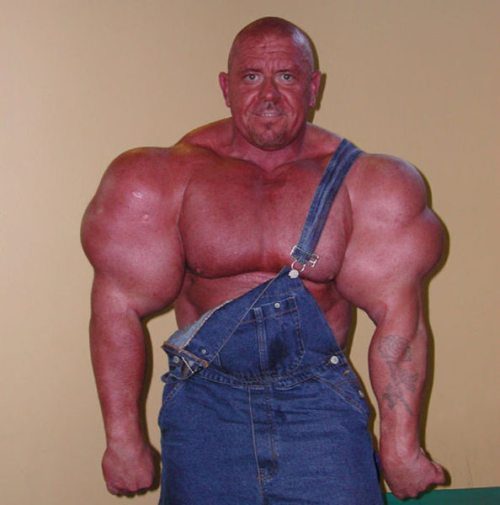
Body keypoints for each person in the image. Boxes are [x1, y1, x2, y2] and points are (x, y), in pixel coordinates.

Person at [82, 16, 446, 503]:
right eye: (252, 77)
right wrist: (122, 439)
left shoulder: (371, 184)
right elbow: (117, 306)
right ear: (225, 87)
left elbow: (400, 319)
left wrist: (401, 445)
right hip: (205, 410)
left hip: (320, 412)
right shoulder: (159, 179)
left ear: (313, 88)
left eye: (287, 77)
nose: (269, 95)